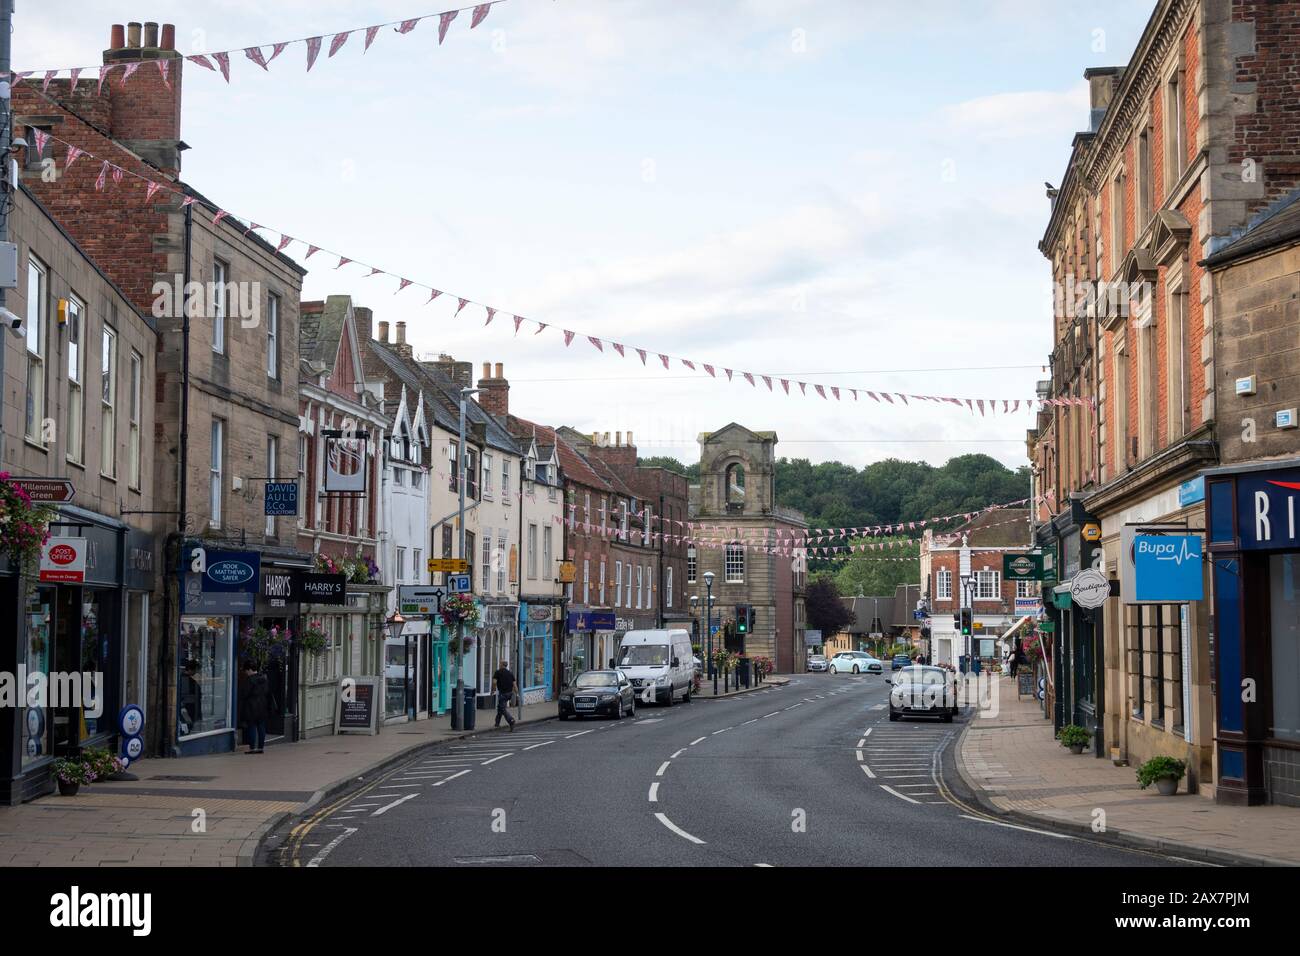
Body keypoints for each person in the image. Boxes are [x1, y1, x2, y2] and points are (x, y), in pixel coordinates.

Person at [239, 661, 270, 754]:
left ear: (249, 670)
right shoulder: (264, 678)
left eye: (246, 671)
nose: (245, 673)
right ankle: (260, 747)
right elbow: (267, 691)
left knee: (251, 726)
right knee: (261, 726)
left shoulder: (250, 680)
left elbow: (244, 693)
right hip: (263, 705)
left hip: (251, 706)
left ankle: (252, 748)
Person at [491, 659, 518, 731]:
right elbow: (515, 685)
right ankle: (497, 723)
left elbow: (494, 682)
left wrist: (492, 690)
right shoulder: (510, 673)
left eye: (500, 664)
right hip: (509, 693)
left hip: (503, 693)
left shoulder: (498, 672)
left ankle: (511, 720)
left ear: (502, 665)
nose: (499, 665)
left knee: (502, 709)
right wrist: (517, 693)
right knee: (500, 707)